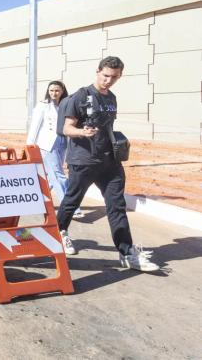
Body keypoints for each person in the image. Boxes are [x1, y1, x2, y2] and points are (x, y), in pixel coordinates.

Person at [56, 56, 158, 272]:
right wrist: (82, 132)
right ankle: (59, 232)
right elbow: (66, 128)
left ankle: (127, 253)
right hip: (84, 161)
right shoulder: (81, 96)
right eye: (106, 76)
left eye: (114, 77)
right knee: (72, 201)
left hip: (109, 162)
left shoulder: (112, 98)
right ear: (98, 71)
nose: (109, 81)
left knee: (117, 206)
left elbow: (108, 127)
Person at [27, 81, 83, 219]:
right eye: (51, 90)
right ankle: (72, 208)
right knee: (58, 175)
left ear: (62, 91)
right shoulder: (43, 105)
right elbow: (34, 126)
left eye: (57, 90)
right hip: (47, 145)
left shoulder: (66, 104)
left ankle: (36, 200)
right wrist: (30, 145)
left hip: (62, 142)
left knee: (51, 176)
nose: (54, 93)